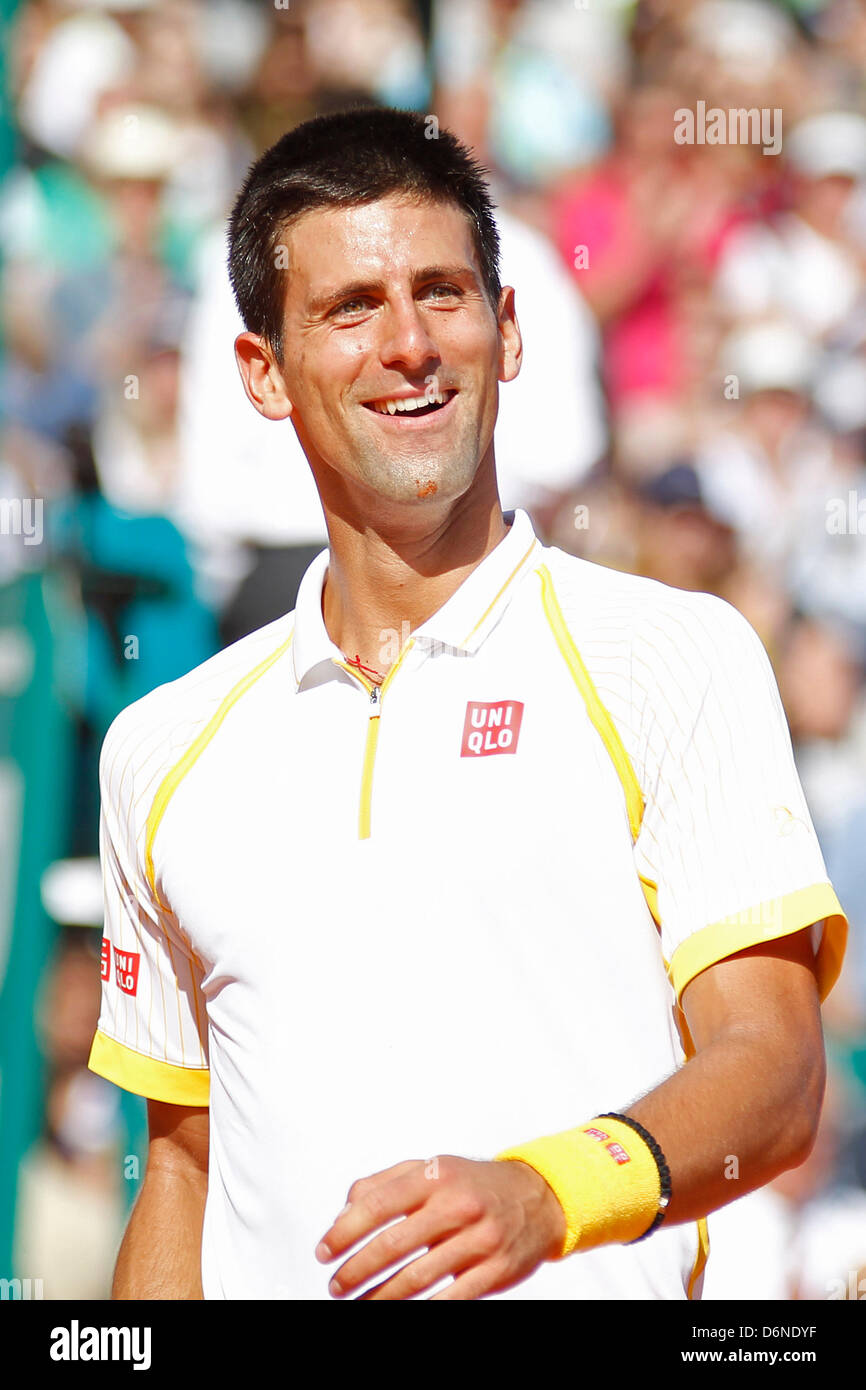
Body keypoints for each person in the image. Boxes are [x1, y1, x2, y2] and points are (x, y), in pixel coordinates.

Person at [87, 107, 848, 1301]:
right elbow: (180, 1174)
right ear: (262, 372)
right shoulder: (161, 747)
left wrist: (549, 1193)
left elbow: (775, 1071)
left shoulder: (672, 654)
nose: (408, 345)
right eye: (349, 308)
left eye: (441, 294)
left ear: (506, 330)